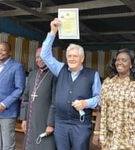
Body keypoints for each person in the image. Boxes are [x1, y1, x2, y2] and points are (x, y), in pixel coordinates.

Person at [40, 18, 101, 150]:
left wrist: (85, 103)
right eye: (69, 56)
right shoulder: (60, 69)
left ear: (82, 58)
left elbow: (99, 98)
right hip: (61, 122)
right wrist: (52, 31)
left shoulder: (92, 74)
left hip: (81, 124)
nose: (72, 59)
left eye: (75, 56)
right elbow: (45, 55)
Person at [93, 48, 135, 150]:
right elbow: (101, 109)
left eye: (124, 60)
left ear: (131, 64)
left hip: (134, 139)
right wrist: (96, 132)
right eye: (117, 60)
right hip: (112, 139)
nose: (119, 62)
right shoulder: (108, 83)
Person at [20, 47, 56, 150]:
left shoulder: (54, 75)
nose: (38, 60)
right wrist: (24, 119)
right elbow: (25, 97)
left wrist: (50, 123)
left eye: (41, 57)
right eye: (36, 57)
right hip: (31, 118)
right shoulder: (32, 74)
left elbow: (55, 102)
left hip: (45, 119)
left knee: (45, 144)